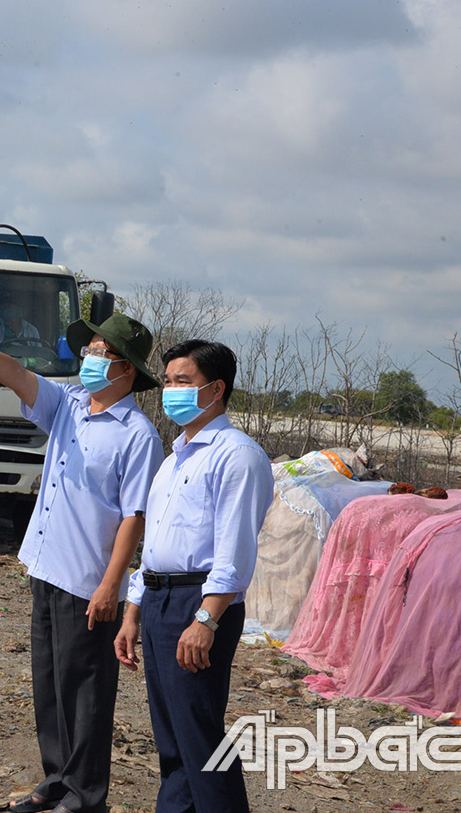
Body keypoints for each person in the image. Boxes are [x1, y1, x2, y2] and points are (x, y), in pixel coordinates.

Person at [0, 312, 163, 813]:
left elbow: (133, 517)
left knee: (87, 692)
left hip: (88, 579)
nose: (90, 360)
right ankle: (55, 780)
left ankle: (85, 795)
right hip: (46, 565)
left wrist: (110, 585)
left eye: (102, 354)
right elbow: (17, 374)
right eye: (91, 350)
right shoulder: (70, 404)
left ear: (126, 371)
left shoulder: (138, 434)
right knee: (50, 683)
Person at [113, 340, 273, 813]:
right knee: (172, 737)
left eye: (183, 381)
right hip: (161, 602)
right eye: (168, 381)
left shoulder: (237, 456)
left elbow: (235, 551)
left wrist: (206, 620)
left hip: (198, 604)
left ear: (216, 388)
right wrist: (133, 611)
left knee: (200, 736)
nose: (171, 390)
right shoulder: (174, 458)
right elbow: (156, 547)